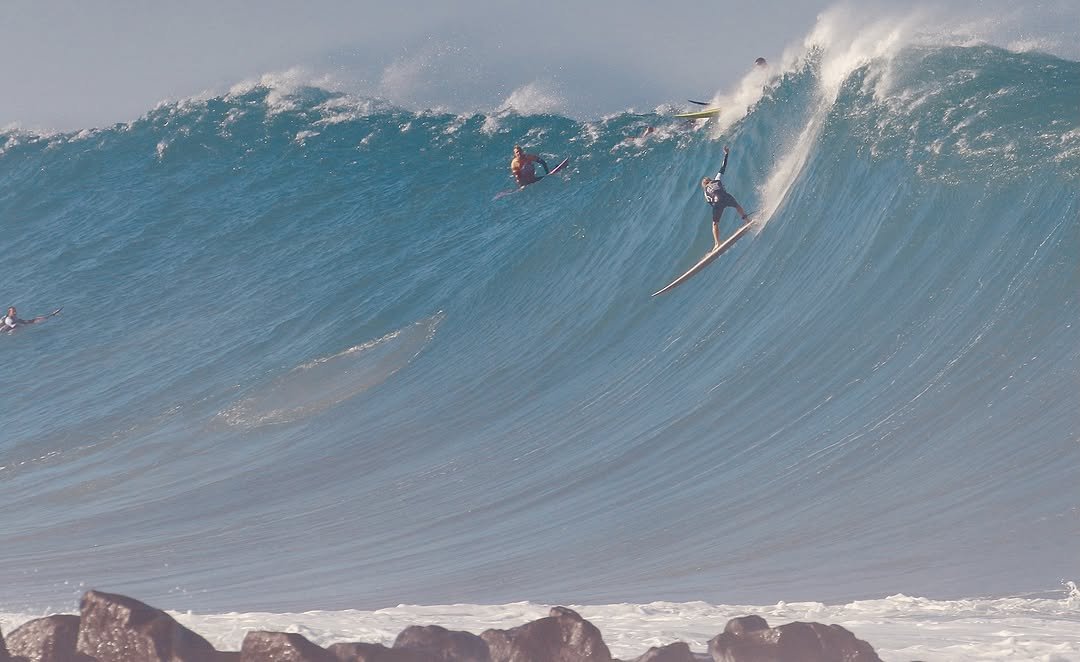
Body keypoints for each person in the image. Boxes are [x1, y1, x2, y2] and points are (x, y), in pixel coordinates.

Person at [701, 146, 750, 248]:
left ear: (704, 185)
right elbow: (723, 167)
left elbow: (710, 202)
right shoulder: (717, 179)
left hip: (716, 201)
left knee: (715, 223)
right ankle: (747, 221)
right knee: (737, 206)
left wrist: (718, 208)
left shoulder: (705, 191)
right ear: (710, 180)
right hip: (725, 196)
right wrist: (726, 154)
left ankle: (717, 243)